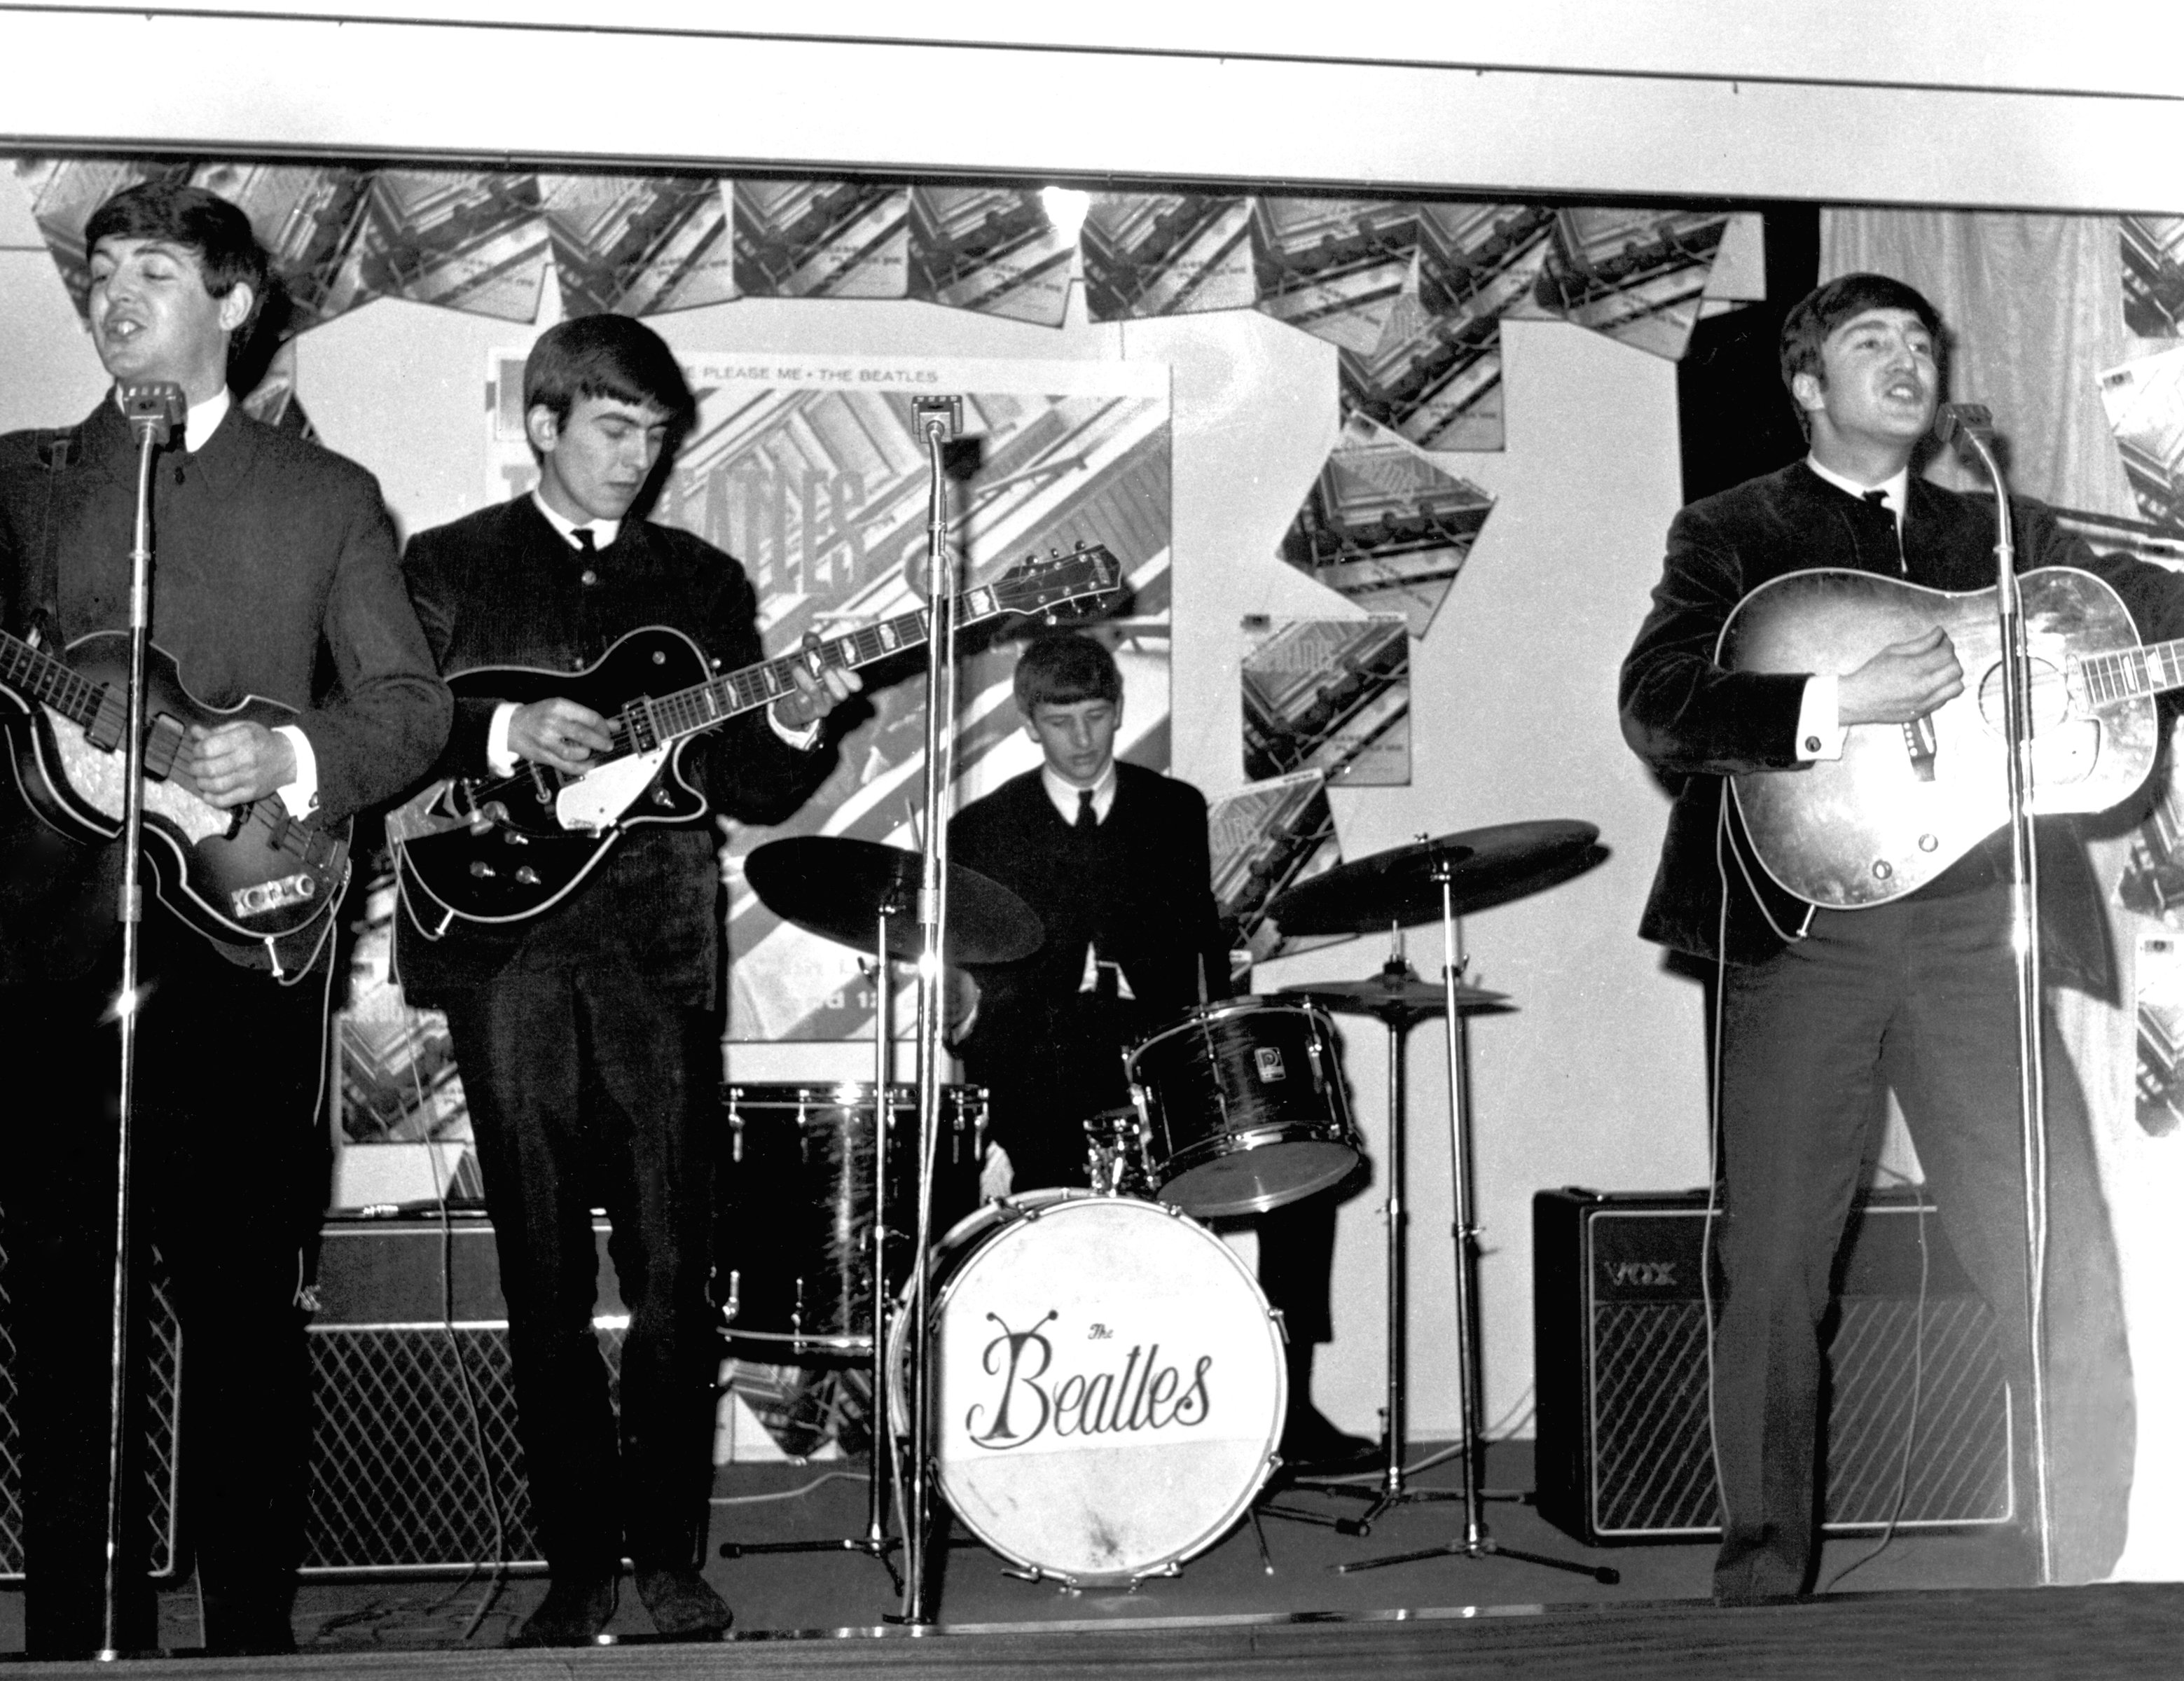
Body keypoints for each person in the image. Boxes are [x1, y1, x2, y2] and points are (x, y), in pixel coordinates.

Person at [1619, 272, 2176, 1601]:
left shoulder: (2006, 530)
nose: (1905, 360)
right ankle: (1760, 1585)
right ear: (1807, 385)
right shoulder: (1731, 528)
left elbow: (2140, 627)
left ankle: (2075, 1564)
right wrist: (1832, 699)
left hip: (1981, 935)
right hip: (1806, 934)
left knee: (2052, 1242)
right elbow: (1656, 706)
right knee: (1770, 1267)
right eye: (1870, 342)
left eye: (1920, 342)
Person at [0, 182, 451, 1657]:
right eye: (103, 270)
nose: (115, 293)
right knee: (66, 1338)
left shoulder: (324, 501)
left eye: (155, 271)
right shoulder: (23, 481)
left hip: (248, 956)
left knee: (247, 1327)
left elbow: (408, 708)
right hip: (51, 963)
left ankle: (249, 1643)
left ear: (236, 305)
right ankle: (74, 1642)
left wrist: (293, 757)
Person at [395, 314, 859, 1646]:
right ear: (541, 426)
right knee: (538, 1270)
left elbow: (749, 787)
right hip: (508, 952)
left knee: (675, 1267)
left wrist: (790, 717)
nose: (637, 459)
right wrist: (501, 731)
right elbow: (385, 740)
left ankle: (666, 1556)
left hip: (657, 954)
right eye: (613, 430)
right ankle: (574, 1566)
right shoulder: (445, 567)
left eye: (655, 436)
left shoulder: (702, 582)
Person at [947, 631, 1372, 1470]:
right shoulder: (984, 828)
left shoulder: (1172, 807)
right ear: (1027, 722)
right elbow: (981, 992)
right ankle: (1040, 1422)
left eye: (1097, 717)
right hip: (1042, 1067)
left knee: (1297, 1175)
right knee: (1018, 1218)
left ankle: (1289, 1404)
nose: (1082, 740)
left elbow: (1198, 955)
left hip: (1159, 1056)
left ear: (1118, 712)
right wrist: (990, 1119)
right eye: (1061, 721)